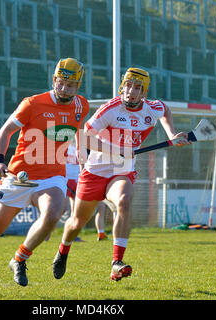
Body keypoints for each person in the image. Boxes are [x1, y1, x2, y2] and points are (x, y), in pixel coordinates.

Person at [0, 58, 89, 295]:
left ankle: (20, 258)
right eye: (62, 82)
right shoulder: (32, 104)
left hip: (52, 176)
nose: (65, 88)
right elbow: (6, 131)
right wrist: (0, 160)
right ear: (55, 80)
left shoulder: (81, 106)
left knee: (55, 212)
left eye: (71, 85)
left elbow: (77, 130)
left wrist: (83, 153)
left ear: (78, 86)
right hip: (20, 175)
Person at [52, 67, 191, 282]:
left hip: (122, 171)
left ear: (144, 92)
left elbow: (166, 111)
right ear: (122, 86)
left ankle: (116, 263)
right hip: (95, 170)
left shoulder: (152, 108)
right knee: (76, 223)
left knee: (124, 201)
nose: (131, 91)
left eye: (137, 88)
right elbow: (85, 137)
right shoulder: (111, 109)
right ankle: (63, 251)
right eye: (128, 85)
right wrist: (115, 150)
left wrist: (171, 134)